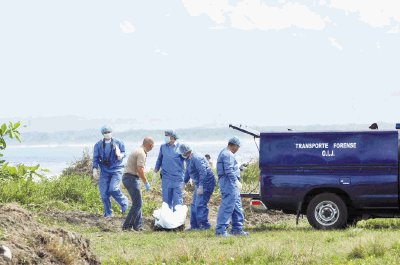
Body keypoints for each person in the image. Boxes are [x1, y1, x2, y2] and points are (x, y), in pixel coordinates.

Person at [215, 136, 249, 236]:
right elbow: (228, 170)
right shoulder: (227, 154)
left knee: (237, 207)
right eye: (238, 147)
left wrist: (240, 169)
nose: (238, 150)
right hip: (229, 183)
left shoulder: (226, 153)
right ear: (234, 146)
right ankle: (221, 231)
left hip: (231, 183)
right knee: (227, 206)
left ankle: (237, 229)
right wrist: (236, 181)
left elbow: (231, 168)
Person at [93, 125, 129, 217]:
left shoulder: (118, 142)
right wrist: (94, 169)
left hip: (117, 169)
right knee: (104, 193)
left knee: (113, 189)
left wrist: (121, 155)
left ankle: (124, 202)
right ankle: (108, 213)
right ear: (102, 134)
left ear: (111, 132)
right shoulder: (98, 145)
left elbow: (124, 152)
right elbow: (95, 158)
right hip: (104, 170)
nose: (107, 134)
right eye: (105, 133)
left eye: (108, 132)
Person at [179, 144, 216, 230]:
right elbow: (188, 171)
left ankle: (204, 225)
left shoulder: (196, 158)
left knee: (200, 204)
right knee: (194, 204)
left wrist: (201, 186)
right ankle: (194, 225)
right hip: (199, 183)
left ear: (185, 152)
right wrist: (184, 182)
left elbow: (203, 172)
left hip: (206, 182)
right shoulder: (188, 159)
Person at [122, 137, 155, 231]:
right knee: (137, 204)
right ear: (150, 145)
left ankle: (138, 226)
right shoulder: (141, 153)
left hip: (129, 178)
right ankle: (126, 226)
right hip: (131, 178)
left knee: (138, 203)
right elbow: (140, 169)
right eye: (152, 146)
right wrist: (146, 182)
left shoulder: (138, 150)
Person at [154, 130, 185, 210]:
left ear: (172, 137)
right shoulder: (163, 147)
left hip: (178, 178)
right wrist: (155, 171)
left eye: (166, 135)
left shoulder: (180, 147)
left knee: (177, 200)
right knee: (166, 201)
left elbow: (187, 160)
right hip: (166, 177)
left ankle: (177, 219)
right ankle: (167, 219)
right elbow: (159, 159)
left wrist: (190, 175)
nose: (165, 137)